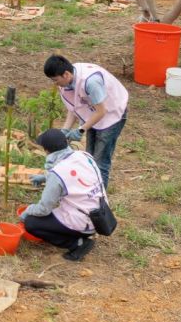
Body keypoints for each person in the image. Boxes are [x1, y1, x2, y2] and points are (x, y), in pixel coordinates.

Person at [43, 54, 128, 189]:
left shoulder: (90, 81)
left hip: (112, 113)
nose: (55, 83)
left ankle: (99, 201)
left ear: (66, 74)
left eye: (55, 80)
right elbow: (74, 107)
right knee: (89, 159)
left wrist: (81, 129)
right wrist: (65, 129)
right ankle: (88, 190)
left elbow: (102, 111)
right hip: (94, 113)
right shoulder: (66, 82)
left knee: (100, 162)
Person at [19, 129, 103, 262]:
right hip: (100, 216)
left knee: (32, 223)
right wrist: (45, 177)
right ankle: (79, 235)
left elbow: (43, 209)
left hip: (82, 222)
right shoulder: (83, 156)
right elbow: (72, 175)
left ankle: (77, 244)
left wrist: (27, 211)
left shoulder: (57, 173)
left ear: (46, 151)